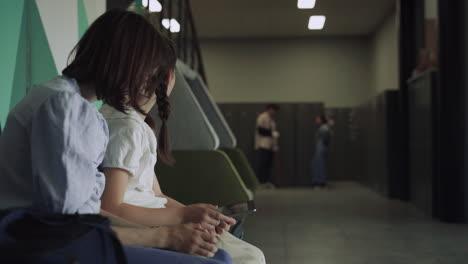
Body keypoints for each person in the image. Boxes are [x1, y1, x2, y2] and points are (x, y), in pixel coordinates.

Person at [0, 9, 232, 263]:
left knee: (217, 255)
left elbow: (88, 214)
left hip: (52, 237)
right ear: (126, 61)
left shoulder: (74, 104)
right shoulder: (66, 106)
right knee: (218, 261)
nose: (147, 82)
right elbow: (72, 227)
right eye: (148, 71)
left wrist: (175, 233)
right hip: (38, 245)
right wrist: (166, 238)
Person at [98, 66, 266, 263]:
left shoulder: (135, 125)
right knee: (251, 257)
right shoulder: (127, 127)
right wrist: (181, 216)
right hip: (143, 227)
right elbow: (111, 207)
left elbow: (157, 195)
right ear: (169, 77)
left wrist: (199, 215)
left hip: (158, 220)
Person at [254, 104, 280, 188]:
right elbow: (260, 130)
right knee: (262, 164)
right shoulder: (262, 117)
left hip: (270, 146)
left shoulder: (271, 119)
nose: (275, 113)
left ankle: (265, 181)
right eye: (274, 110)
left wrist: (275, 146)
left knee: (268, 165)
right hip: (263, 145)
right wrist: (271, 133)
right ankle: (260, 182)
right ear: (270, 109)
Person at [311, 115, 331, 187]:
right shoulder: (323, 127)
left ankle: (320, 182)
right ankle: (319, 181)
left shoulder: (324, 128)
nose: (316, 120)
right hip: (321, 147)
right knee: (318, 165)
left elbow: (325, 140)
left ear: (322, 120)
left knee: (320, 165)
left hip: (321, 147)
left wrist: (321, 147)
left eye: (317, 119)